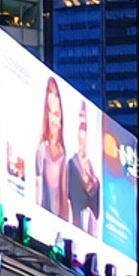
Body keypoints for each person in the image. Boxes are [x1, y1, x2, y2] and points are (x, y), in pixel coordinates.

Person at [36, 76, 70, 222]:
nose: (55, 121)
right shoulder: (42, 149)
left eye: (57, 115)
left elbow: (64, 196)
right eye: (51, 113)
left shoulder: (63, 155)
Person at [66, 103, 101, 235]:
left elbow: (97, 216)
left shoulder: (95, 175)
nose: (82, 133)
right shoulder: (69, 165)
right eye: (80, 127)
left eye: (85, 127)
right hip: (70, 234)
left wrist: (92, 186)